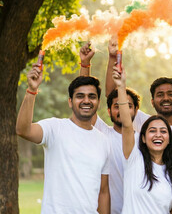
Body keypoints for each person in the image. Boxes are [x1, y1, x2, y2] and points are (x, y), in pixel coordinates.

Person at [16, 64, 110, 213]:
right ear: (70, 102)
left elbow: (103, 192)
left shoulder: (104, 141)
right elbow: (23, 130)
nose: (86, 100)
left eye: (92, 96)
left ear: (98, 102)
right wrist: (31, 90)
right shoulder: (55, 128)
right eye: (80, 96)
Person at [79, 41, 145, 213]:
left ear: (136, 110)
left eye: (127, 106)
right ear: (108, 111)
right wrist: (85, 64)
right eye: (116, 106)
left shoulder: (144, 140)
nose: (121, 110)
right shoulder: (101, 133)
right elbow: (84, 101)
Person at [111, 64, 172, 213]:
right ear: (142, 138)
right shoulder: (134, 158)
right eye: (152, 131)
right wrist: (121, 87)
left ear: (169, 139)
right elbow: (127, 125)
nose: (158, 135)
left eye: (163, 131)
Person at [106, 37, 172, 158]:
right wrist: (113, 57)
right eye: (160, 95)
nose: (166, 98)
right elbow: (113, 96)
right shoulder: (144, 123)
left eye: (170, 94)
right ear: (152, 102)